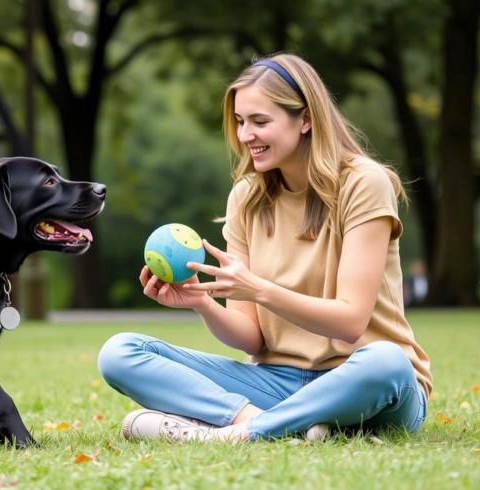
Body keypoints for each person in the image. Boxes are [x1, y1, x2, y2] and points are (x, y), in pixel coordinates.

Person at [97, 54, 432, 443]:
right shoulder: (245, 198)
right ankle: (267, 421)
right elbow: (252, 339)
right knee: (120, 352)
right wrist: (201, 303)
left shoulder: (363, 183)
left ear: (305, 119)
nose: (245, 135)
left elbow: (351, 323)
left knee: (388, 361)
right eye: (240, 122)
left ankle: (237, 433)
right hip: (278, 383)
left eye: (260, 121)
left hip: (369, 385)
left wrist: (258, 288)